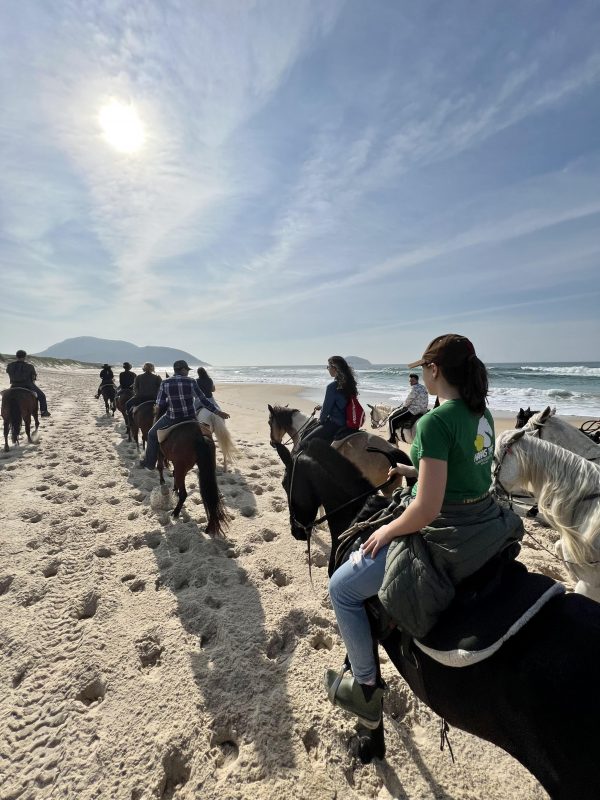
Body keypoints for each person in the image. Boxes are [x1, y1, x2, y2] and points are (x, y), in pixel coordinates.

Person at [324, 334, 524, 728]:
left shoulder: (434, 421)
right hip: (482, 514)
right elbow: (465, 470)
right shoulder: (480, 412)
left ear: (434, 370)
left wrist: (386, 532)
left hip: (446, 528)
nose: (422, 376)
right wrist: (411, 471)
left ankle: (365, 690)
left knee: (342, 589)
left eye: (423, 369)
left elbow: (427, 508)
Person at [140, 360, 230, 471]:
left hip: (171, 418)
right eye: (186, 370)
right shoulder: (191, 381)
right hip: (190, 417)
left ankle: (149, 463)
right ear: (182, 369)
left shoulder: (165, 382)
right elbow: (203, 400)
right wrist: (218, 412)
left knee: (151, 434)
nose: (187, 372)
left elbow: (160, 403)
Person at [299, 356, 359, 448]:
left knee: (303, 443)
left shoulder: (332, 387)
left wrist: (321, 420)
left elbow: (326, 411)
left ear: (335, 368)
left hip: (335, 424)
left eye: (328, 367)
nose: (328, 369)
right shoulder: (350, 384)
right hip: (348, 423)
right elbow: (342, 404)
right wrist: (322, 407)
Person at [6, 350, 51, 417]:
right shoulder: (30, 366)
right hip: (28, 385)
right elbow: (33, 378)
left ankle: (6, 412)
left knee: (7, 397)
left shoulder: (10, 365)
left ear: (16, 356)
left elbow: (9, 373)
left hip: (14, 385)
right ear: (25, 357)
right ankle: (43, 411)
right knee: (42, 396)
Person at [387, 373, 429, 443]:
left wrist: (404, 407)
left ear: (416, 380)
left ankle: (392, 439)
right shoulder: (423, 387)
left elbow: (409, 400)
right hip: (424, 410)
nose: (410, 382)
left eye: (412, 381)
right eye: (409, 381)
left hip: (414, 410)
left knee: (391, 419)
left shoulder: (414, 388)